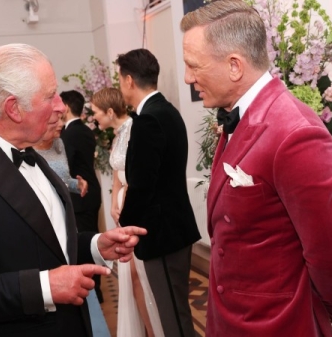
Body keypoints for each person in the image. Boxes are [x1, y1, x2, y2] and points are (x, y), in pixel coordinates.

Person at [0, 43, 147, 337]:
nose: (61, 106)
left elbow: (42, 244)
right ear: (13, 108)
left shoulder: (34, 156)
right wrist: (45, 288)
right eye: (50, 96)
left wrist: (94, 245)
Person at [180, 1, 332, 336]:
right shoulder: (241, 116)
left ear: (235, 66)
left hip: (276, 323)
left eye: (194, 65)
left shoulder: (295, 132)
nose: (188, 77)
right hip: (231, 318)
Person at [116, 49, 201, 337]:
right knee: (177, 311)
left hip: (162, 233)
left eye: (119, 80)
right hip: (175, 227)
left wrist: (124, 226)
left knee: (172, 317)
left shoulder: (148, 120)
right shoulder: (167, 111)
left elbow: (142, 185)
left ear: (129, 80)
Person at [91, 87, 164, 337]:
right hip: (121, 208)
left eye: (96, 113)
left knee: (140, 277)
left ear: (110, 111)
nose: (94, 118)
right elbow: (116, 176)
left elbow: (141, 175)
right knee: (131, 280)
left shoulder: (136, 129)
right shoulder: (116, 136)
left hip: (134, 207)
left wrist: (126, 203)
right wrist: (114, 202)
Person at [33, 114, 110, 337]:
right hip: (44, 223)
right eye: (54, 120)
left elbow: (62, 179)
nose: (60, 125)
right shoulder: (28, 151)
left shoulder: (59, 143)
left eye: (61, 119)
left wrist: (77, 185)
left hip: (66, 218)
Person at [59, 90, 103, 301]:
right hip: (92, 191)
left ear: (66, 107)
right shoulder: (85, 129)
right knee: (92, 238)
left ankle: (92, 289)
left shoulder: (69, 134)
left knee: (85, 243)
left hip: (80, 194)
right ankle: (97, 287)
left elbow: (64, 165)